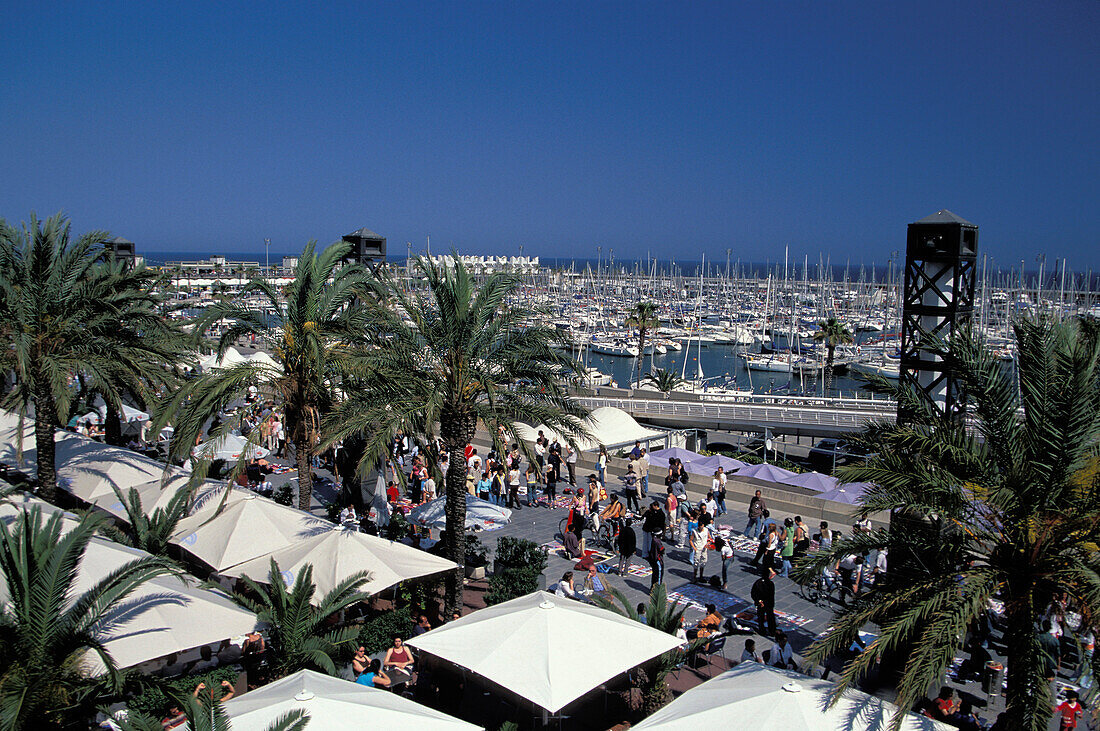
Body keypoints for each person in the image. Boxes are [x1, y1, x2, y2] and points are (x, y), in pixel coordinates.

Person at [751, 567, 777, 637]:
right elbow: (771, 595)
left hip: (761, 603)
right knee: (770, 617)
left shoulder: (757, 583)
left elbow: (753, 593)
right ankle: (772, 631)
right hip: (768, 603)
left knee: (761, 617)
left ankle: (762, 630)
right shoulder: (770, 583)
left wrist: (759, 601)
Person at [690, 519, 710, 583]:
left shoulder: (706, 530)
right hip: (698, 548)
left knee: (703, 562)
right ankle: (694, 577)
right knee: (696, 562)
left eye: (701, 526)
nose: (700, 527)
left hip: (704, 549)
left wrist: (708, 544)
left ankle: (701, 576)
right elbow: (691, 540)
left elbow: (709, 538)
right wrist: (694, 548)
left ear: (703, 525)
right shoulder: (694, 531)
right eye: (699, 526)